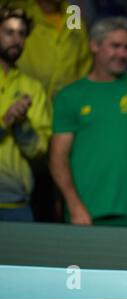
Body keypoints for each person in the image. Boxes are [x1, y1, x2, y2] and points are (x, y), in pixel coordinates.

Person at [50, 17, 127, 227]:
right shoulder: (70, 95)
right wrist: (74, 206)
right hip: (88, 211)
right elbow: (58, 158)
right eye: (115, 46)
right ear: (94, 45)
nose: (123, 54)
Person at [0, 6, 51, 221]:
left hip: (16, 202)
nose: (16, 39)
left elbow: (39, 150)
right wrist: (6, 121)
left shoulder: (33, 88)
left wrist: (22, 125)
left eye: (21, 33)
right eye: (9, 32)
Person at [2, 0, 92, 99]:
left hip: (66, 106)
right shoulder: (17, 10)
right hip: (22, 101)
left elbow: (84, 65)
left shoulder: (73, 15)